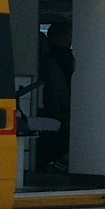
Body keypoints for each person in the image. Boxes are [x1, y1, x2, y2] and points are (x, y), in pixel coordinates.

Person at [38, 21, 75, 171]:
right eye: (68, 36)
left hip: (51, 106)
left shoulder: (43, 58)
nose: (70, 40)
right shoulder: (64, 59)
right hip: (61, 108)